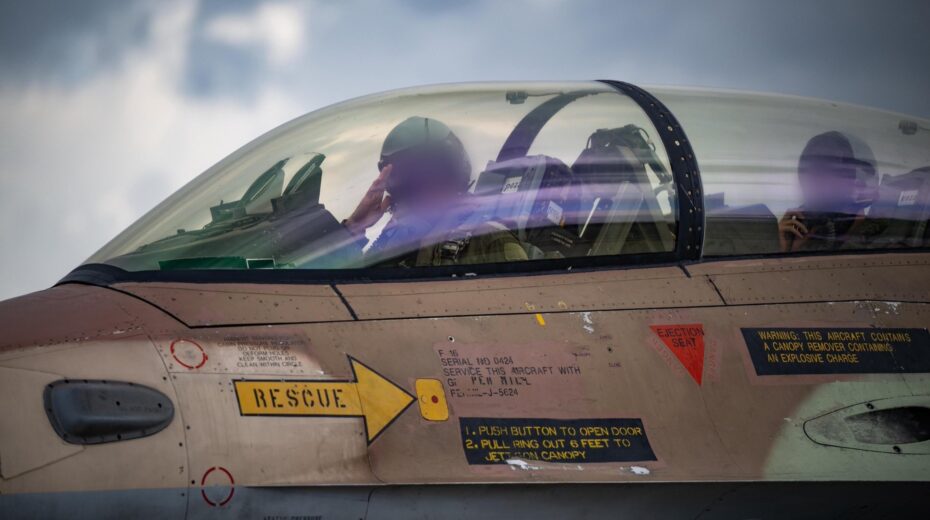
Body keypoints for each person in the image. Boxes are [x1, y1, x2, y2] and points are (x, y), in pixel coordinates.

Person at [343, 116, 528, 267]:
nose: (426, 188)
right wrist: (354, 227)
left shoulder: (489, 241)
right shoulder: (392, 243)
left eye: (436, 174)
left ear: (455, 175)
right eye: (411, 179)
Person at [778, 131, 882, 252]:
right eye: (809, 170)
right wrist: (784, 251)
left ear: (858, 182)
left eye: (826, 170)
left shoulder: (881, 241)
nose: (814, 180)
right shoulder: (805, 231)